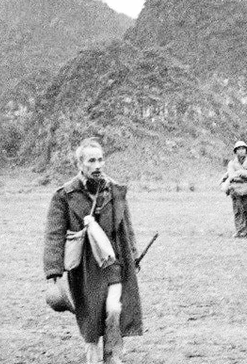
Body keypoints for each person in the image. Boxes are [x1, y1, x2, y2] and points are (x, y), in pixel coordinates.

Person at [43, 138, 142, 364]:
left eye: (100, 159)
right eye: (91, 160)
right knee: (90, 315)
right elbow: (54, 234)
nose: (98, 165)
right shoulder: (64, 196)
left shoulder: (115, 191)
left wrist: (134, 254)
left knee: (114, 309)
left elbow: (127, 227)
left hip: (113, 262)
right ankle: (92, 357)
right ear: (80, 164)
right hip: (84, 267)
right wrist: (53, 270)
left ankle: (112, 356)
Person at [224, 141, 247, 238]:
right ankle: (240, 231)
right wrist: (244, 175)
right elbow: (231, 176)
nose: (241, 151)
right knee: (238, 211)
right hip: (236, 190)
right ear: (235, 151)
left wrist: (239, 172)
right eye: (239, 149)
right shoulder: (232, 163)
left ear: (246, 150)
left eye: (243, 149)